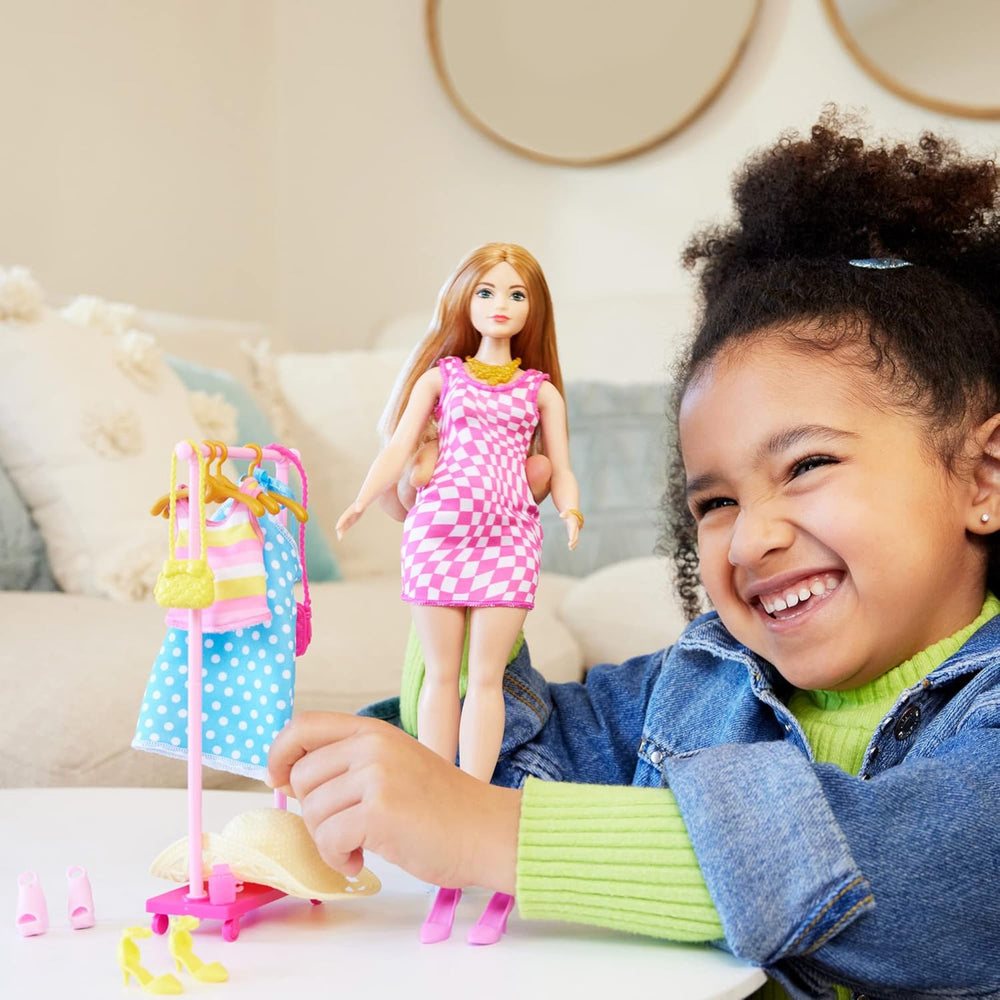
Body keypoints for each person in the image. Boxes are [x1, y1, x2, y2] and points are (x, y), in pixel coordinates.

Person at [268, 111, 1000, 996]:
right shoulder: (696, 683)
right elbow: (489, 770)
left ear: (983, 478)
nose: (754, 534)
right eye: (717, 501)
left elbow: (924, 878)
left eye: (806, 465)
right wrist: (448, 577)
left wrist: (487, 830)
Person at [333, 242, 581, 942]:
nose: (500, 306)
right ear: (464, 302)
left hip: (507, 538)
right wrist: (362, 500)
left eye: (515, 296)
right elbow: (398, 446)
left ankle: (469, 809)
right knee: (442, 674)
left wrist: (570, 509)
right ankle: (438, 806)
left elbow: (560, 464)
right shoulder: (442, 379)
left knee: (486, 678)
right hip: (440, 533)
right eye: (486, 293)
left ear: (532, 311)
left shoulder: (540, 391)